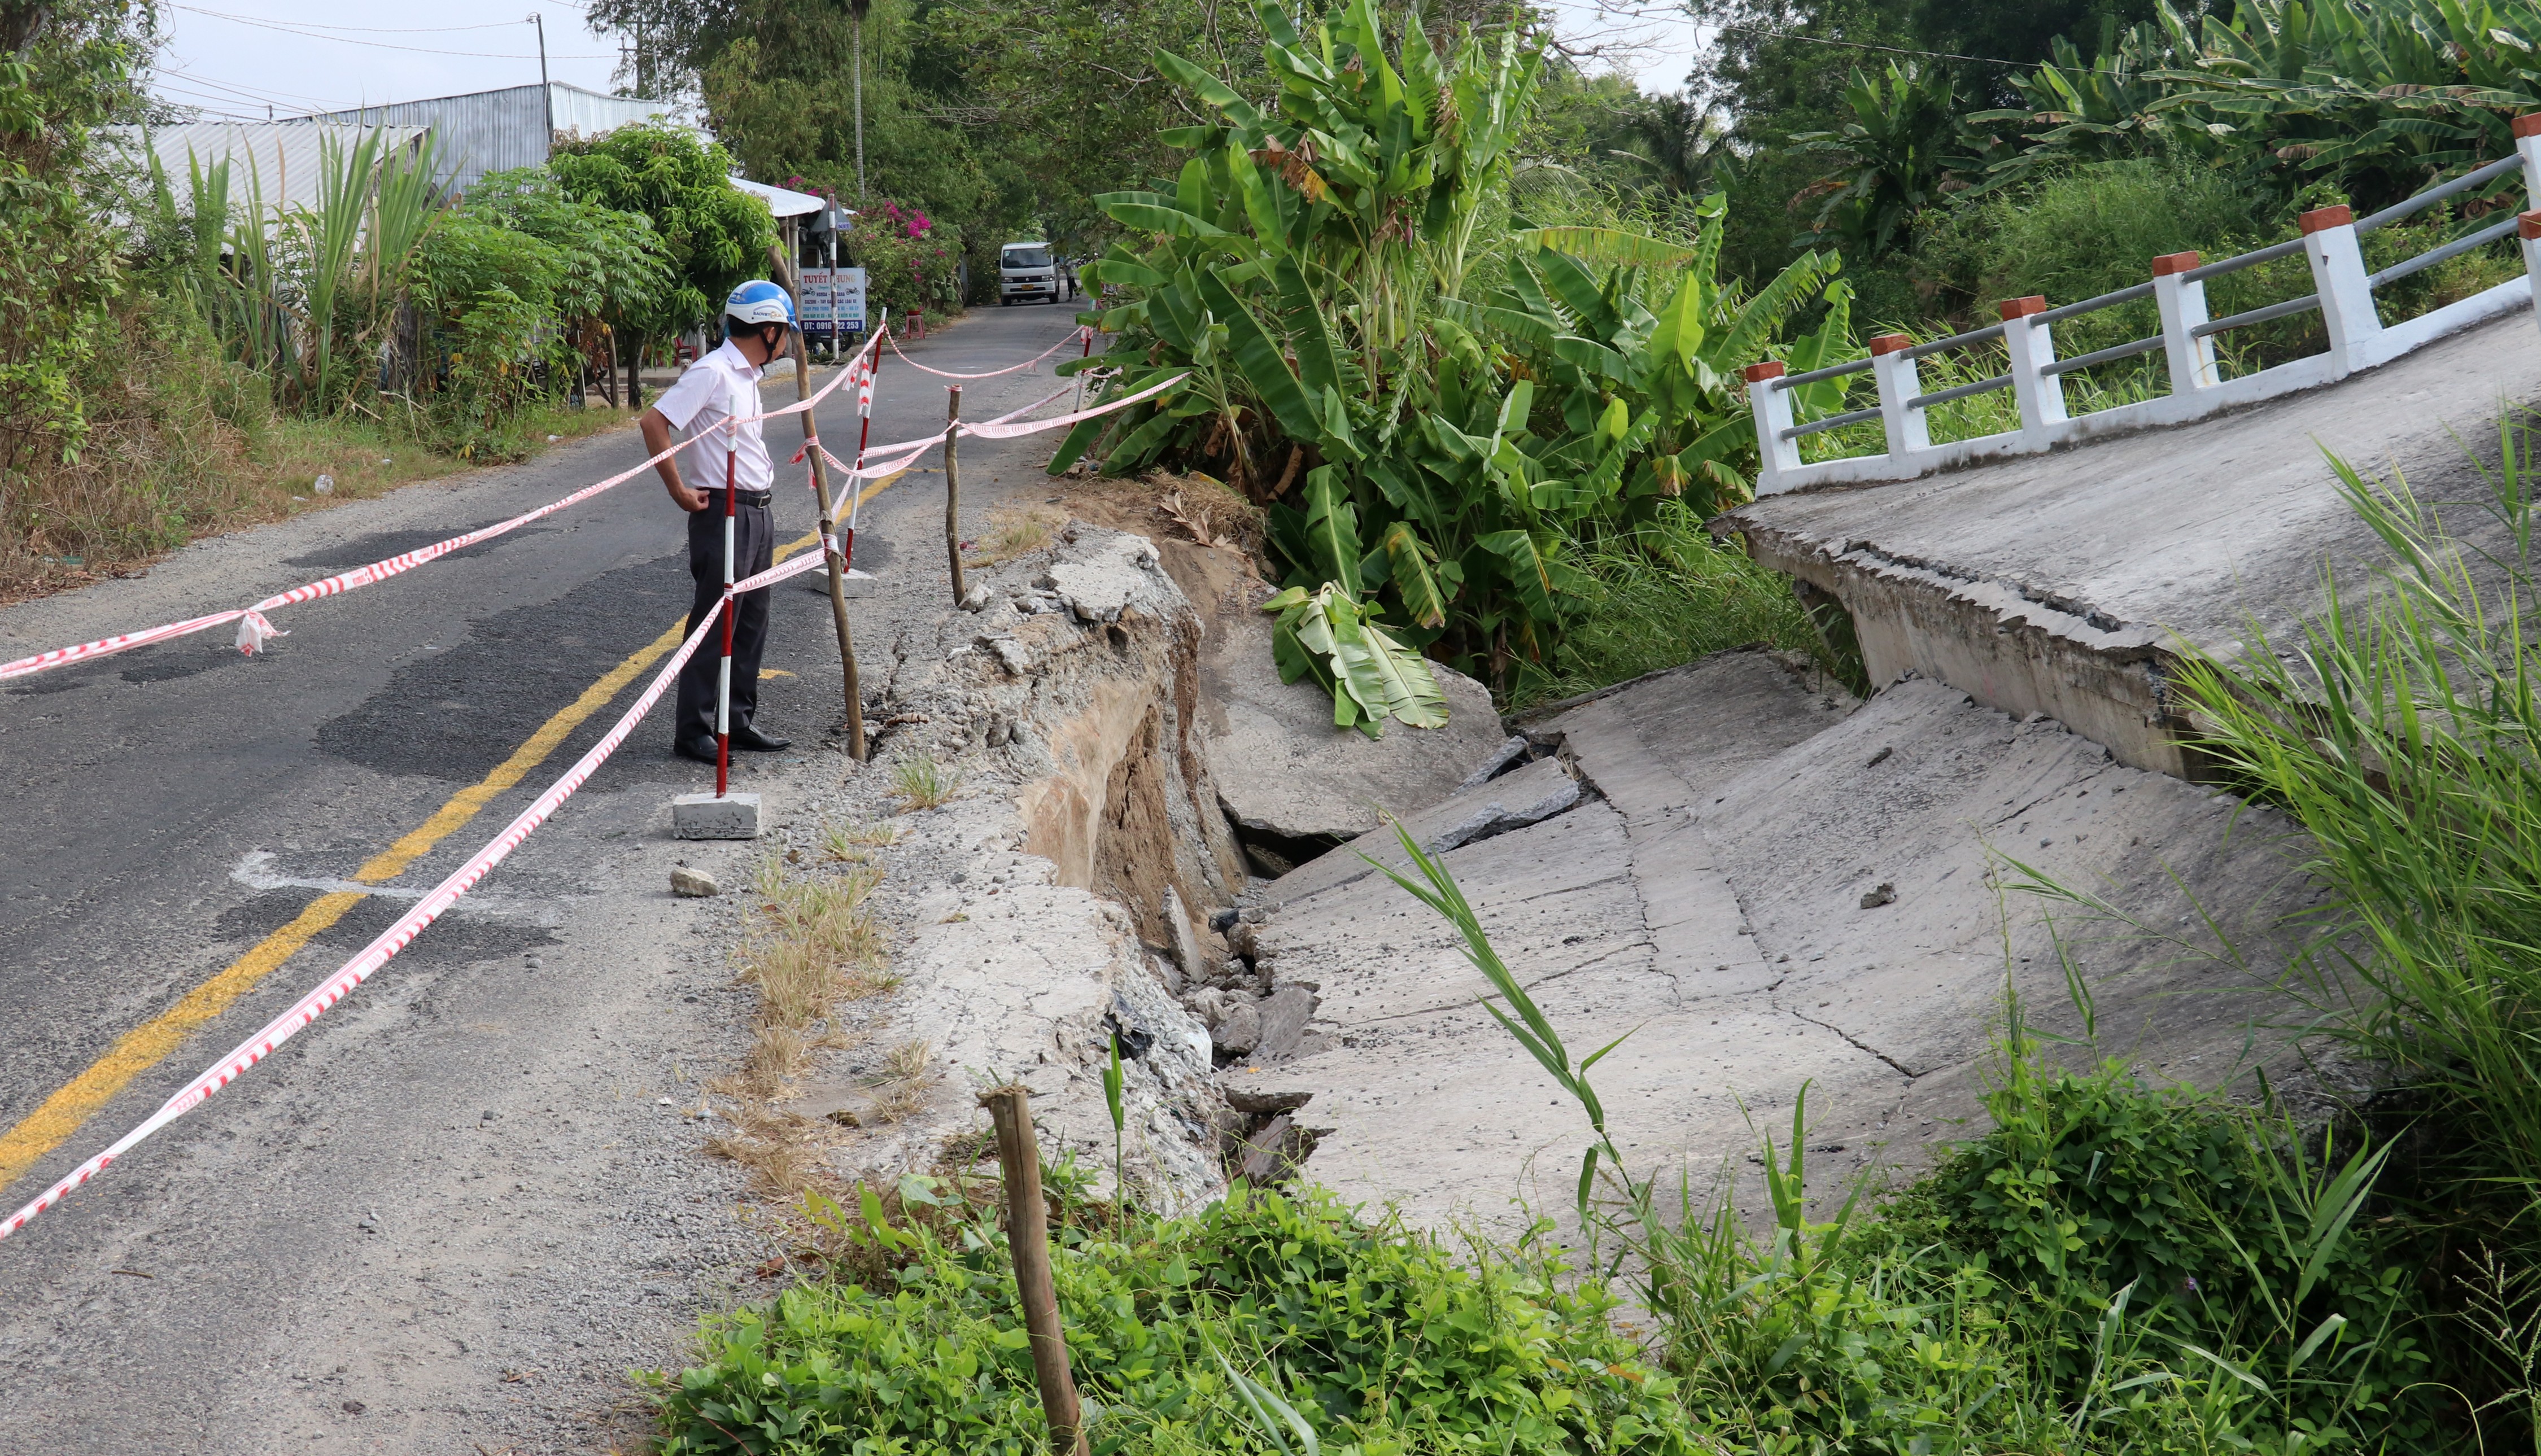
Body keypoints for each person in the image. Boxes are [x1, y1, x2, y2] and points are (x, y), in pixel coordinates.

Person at [639, 280, 798, 764]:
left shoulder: (747, 375)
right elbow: (654, 422)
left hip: (758, 509)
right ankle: (693, 730)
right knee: (715, 622)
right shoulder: (712, 372)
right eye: (785, 330)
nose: (789, 340)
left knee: (751, 621)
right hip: (725, 510)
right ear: (768, 330)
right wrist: (678, 490)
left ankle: (737, 720)